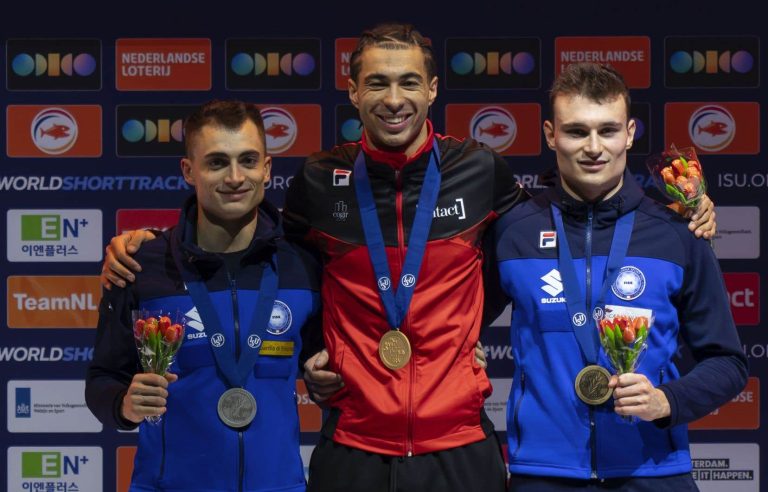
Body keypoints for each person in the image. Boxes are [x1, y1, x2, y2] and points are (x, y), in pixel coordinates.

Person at [99, 26, 717, 492]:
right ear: (352, 89)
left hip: (460, 444)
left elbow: (559, 219)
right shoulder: (319, 180)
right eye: (376, 82)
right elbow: (269, 256)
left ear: (433, 90)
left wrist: (684, 212)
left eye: (408, 82)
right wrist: (155, 244)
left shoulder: (481, 170)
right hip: (353, 445)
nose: (393, 99)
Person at [494, 63, 747, 491]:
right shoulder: (513, 231)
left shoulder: (676, 232)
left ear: (629, 133)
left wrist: (668, 401)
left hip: (653, 472)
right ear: (551, 134)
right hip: (543, 474)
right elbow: (455, 322)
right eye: (576, 132)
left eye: (607, 131)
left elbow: (728, 362)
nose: (594, 147)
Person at [86, 100, 321, 492]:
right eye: (216, 162)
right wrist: (123, 405)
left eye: (247, 160)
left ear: (266, 169)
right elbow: (103, 377)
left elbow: (325, 362)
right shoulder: (141, 266)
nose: (234, 177)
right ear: (188, 170)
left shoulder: (304, 266)